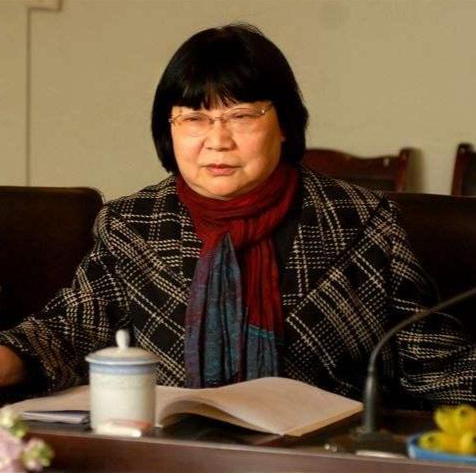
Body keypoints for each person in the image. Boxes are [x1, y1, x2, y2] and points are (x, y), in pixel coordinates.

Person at [0, 24, 474, 407]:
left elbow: (436, 363)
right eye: (194, 118)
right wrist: (10, 358)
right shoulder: (133, 224)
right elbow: (67, 330)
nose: (217, 140)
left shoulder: (363, 222)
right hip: (176, 454)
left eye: (242, 116)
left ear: (284, 124)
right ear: (169, 130)